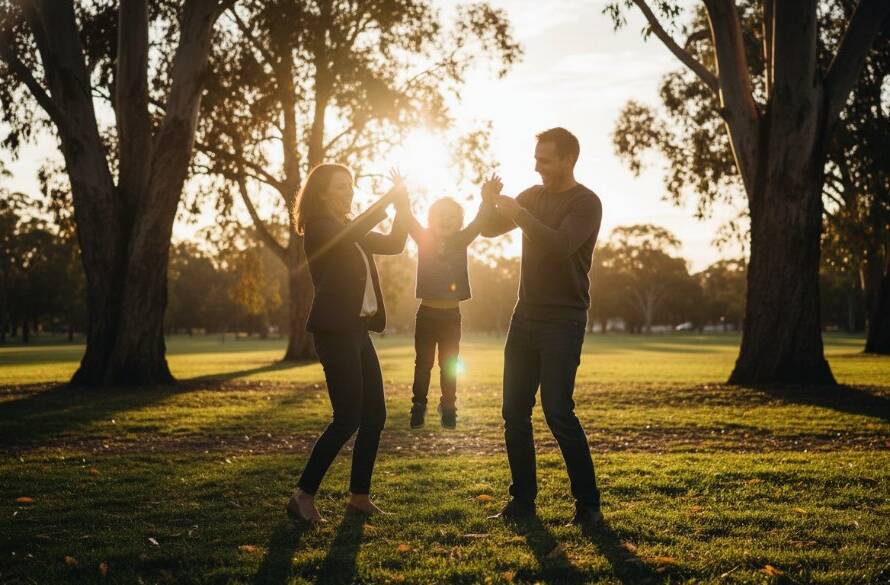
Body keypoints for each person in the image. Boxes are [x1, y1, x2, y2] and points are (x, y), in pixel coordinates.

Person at [481, 127, 604, 528]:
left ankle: (587, 505)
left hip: (563, 321)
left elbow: (558, 244)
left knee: (557, 411)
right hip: (524, 318)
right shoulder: (532, 196)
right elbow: (488, 229)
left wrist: (517, 212)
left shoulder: (586, 202)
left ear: (568, 160)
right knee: (514, 412)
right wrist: (487, 203)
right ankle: (522, 503)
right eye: (535, 158)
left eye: (545, 159)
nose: (536, 166)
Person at [286, 164, 409, 523]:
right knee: (347, 418)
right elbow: (353, 231)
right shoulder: (321, 229)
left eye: (351, 186)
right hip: (335, 333)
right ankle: (302, 495)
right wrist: (388, 198)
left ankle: (359, 496)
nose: (349, 193)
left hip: (358, 332)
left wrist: (402, 206)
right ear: (321, 194)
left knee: (375, 415)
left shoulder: (349, 231)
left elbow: (395, 243)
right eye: (341, 187)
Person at [404, 180, 500, 429]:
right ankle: (419, 404)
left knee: (449, 363)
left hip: (451, 317)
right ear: (430, 220)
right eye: (439, 216)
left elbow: (479, 221)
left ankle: (448, 405)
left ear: (458, 221)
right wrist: (400, 194)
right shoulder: (423, 238)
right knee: (423, 362)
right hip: (426, 315)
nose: (445, 220)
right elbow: (408, 217)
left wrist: (488, 197)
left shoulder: (461, 239)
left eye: (451, 216)